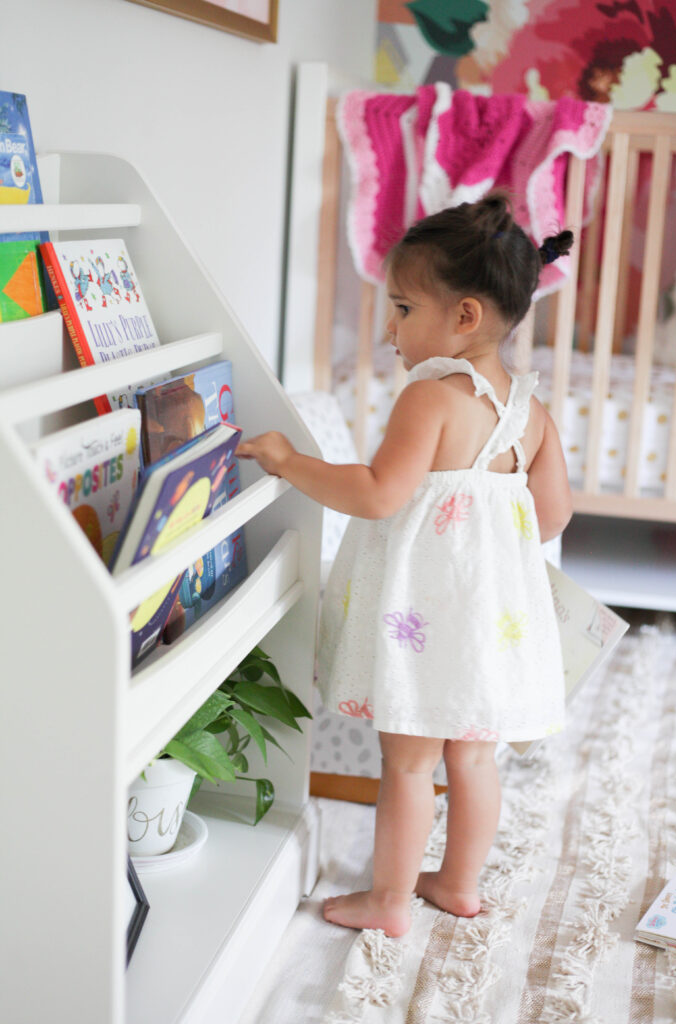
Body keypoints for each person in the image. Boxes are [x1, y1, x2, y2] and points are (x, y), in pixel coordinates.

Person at [236, 193, 573, 938]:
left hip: (426, 625)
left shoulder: (430, 397)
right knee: (474, 763)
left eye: (400, 309)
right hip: (492, 622)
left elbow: (378, 494)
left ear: (464, 318)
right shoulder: (531, 410)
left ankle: (387, 901)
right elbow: (551, 517)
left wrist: (292, 462)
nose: (388, 330)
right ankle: (456, 884)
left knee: (410, 765)